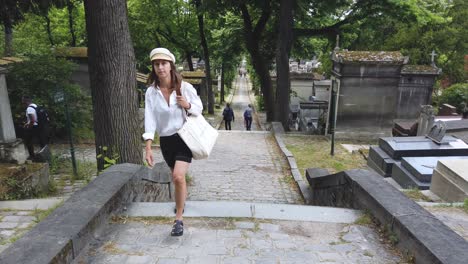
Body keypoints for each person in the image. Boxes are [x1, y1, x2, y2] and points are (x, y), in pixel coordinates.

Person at [143, 47, 203, 236]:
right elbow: (150, 119)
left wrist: (188, 105)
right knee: (176, 179)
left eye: (164, 63)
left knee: (178, 176)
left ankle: (178, 219)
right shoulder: (151, 93)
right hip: (166, 141)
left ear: (171, 66)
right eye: (156, 64)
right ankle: (181, 203)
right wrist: (148, 147)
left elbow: (198, 108)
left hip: (183, 138)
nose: (160, 67)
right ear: (153, 67)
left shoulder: (184, 87)